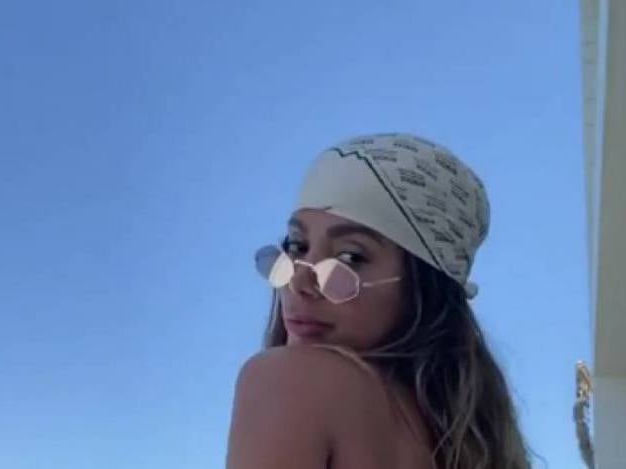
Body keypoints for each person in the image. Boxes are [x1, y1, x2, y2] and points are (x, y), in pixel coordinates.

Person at [226, 133, 531, 469]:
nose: (300, 282)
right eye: (297, 246)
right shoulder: (460, 443)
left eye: (350, 257)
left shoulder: (290, 380)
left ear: (422, 287)